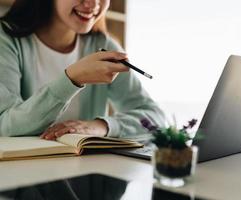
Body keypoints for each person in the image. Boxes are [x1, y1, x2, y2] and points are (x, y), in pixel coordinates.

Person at [0, 0, 166, 140]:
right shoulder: (6, 40)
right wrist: (72, 79)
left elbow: (155, 118)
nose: (93, 4)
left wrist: (103, 126)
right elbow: (5, 126)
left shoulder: (102, 46)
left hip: (84, 172)